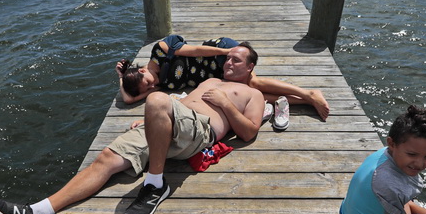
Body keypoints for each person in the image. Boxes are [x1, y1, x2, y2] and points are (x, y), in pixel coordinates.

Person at [0, 42, 265, 214]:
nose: (228, 62)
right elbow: (161, 100)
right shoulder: (209, 81)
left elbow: (249, 132)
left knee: (158, 98)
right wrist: (154, 121)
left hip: (199, 132)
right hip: (171, 124)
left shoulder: (252, 94)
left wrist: (225, 104)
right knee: (106, 158)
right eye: (228, 58)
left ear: (250, 66)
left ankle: (155, 184)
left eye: (236, 59)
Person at [117, 35, 330, 123]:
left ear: (143, 70)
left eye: (148, 82)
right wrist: (121, 77)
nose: (152, 86)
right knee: (254, 95)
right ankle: (306, 101)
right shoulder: (156, 82)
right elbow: (128, 99)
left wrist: (226, 52)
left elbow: (196, 50)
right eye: (148, 87)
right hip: (215, 76)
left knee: (253, 83)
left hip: (216, 55)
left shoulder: (162, 49)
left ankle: (308, 93)